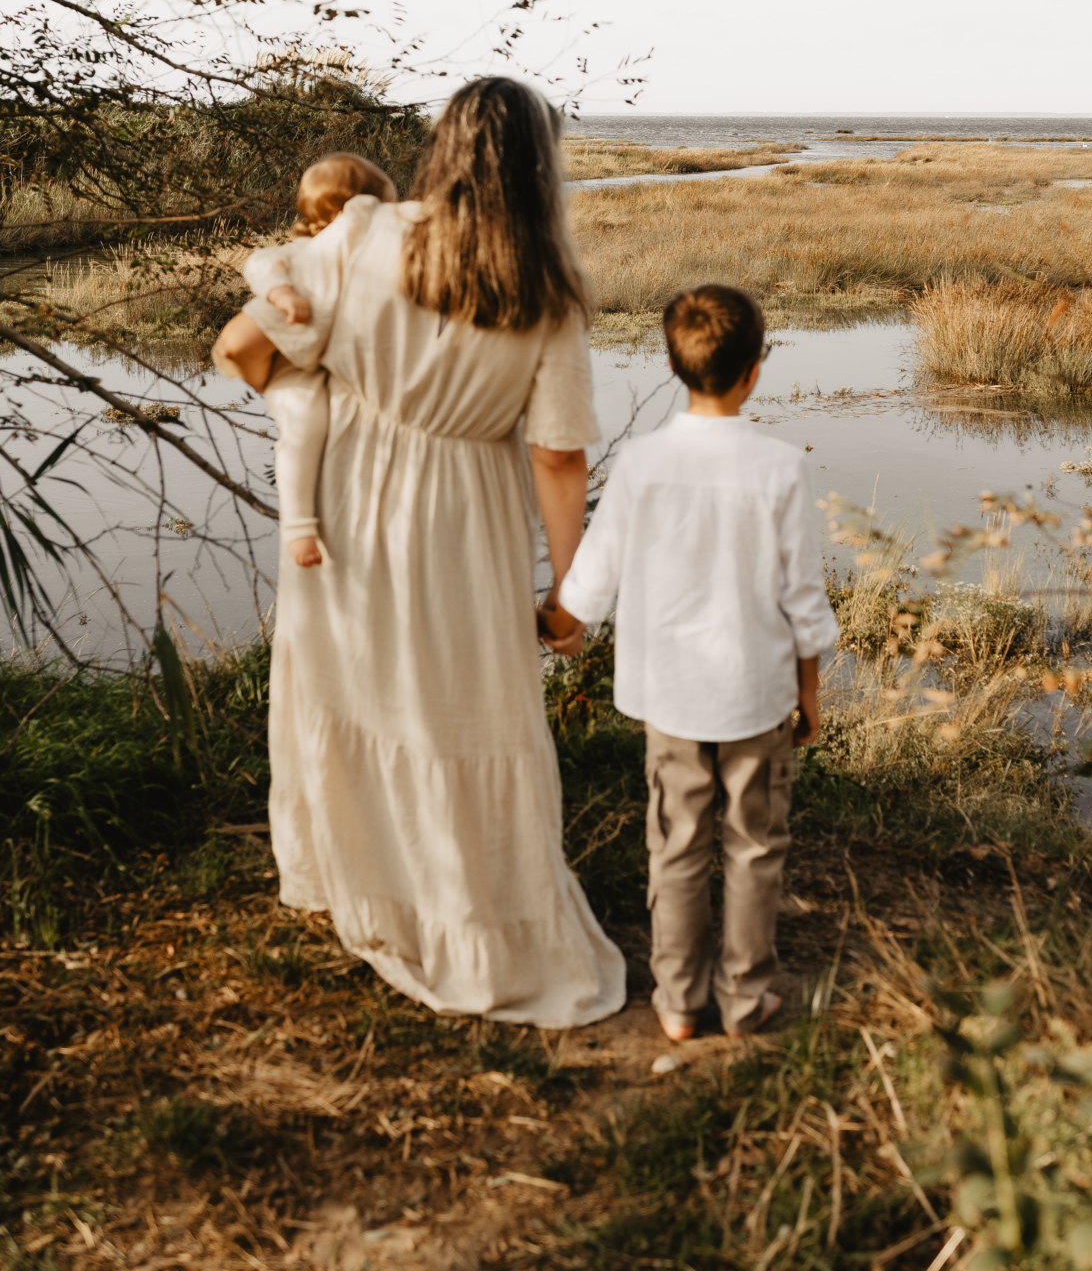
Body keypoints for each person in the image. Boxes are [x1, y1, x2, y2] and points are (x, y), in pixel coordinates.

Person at [212, 79, 626, 1028]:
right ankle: (476, 919)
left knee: (352, 688)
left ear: (441, 148)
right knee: (465, 707)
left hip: (349, 495)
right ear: (538, 167)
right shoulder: (548, 287)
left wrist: (301, 403)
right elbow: (559, 455)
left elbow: (243, 342)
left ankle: (355, 885)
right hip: (467, 513)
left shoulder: (358, 236)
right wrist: (572, 590)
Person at [558, 284, 837, 1042]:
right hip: (756, 693)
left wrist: (558, 619)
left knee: (675, 846)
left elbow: (592, 575)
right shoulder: (780, 467)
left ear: (675, 364)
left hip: (670, 697)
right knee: (753, 846)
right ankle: (744, 997)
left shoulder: (643, 462)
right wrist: (810, 689)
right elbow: (801, 596)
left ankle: (678, 1001)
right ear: (754, 371)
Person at [241, 154, 397, 570]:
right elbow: (258, 264)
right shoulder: (303, 252)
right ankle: (298, 527)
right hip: (299, 373)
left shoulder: (369, 260)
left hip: (331, 372)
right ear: (348, 210)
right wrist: (282, 294)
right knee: (303, 429)